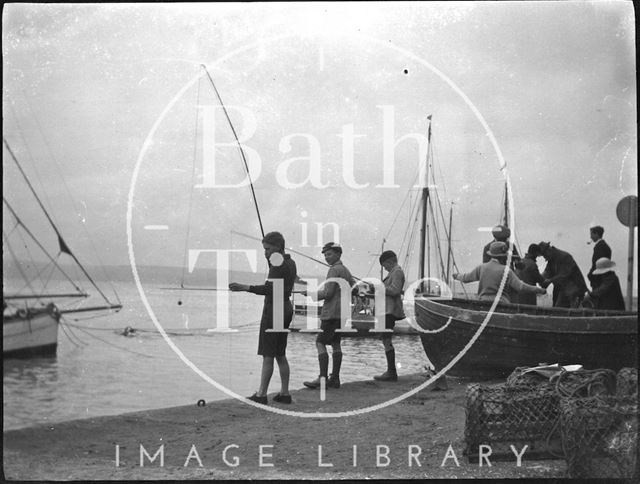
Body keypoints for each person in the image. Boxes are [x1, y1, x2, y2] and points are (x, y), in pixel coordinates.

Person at [229, 231, 297, 405]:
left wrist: (245, 287)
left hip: (274, 309)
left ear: (277, 247)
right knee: (280, 353)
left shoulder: (278, 265)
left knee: (268, 353)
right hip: (286, 307)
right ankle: (285, 393)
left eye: (267, 249)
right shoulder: (290, 262)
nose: (265, 252)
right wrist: (271, 260)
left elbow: (269, 288)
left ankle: (261, 394)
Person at [302, 242, 355, 390]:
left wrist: (311, 294)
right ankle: (335, 379)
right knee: (336, 343)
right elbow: (354, 287)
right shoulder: (345, 270)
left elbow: (328, 293)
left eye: (329, 254)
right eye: (325, 255)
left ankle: (323, 378)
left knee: (320, 343)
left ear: (338, 254)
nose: (326, 257)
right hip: (343, 314)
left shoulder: (333, 270)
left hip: (331, 313)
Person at [454, 241, 546, 304]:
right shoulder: (506, 270)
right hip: (501, 304)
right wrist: (539, 290)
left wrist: (456, 276)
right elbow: (520, 287)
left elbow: (466, 278)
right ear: (502, 256)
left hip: (483, 304)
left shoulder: (481, 268)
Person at [373, 250, 405, 382]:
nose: (385, 268)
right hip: (386, 310)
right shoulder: (394, 272)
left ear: (390, 261)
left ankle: (391, 372)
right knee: (385, 339)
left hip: (389, 311)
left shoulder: (397, 271)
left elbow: (395, 290)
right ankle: (391, 371)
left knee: (386, 339)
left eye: (384, 265)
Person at [538, 241, 588, 308]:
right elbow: (547, 272)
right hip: (562, 289)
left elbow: (564, 275)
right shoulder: (551, 260)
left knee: (560, 310)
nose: (544, 257)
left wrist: (549, 281)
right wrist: (539, 279)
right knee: (556, 309)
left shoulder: (564, 257)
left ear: (549, 250)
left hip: (573, 288)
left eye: (544, 255)